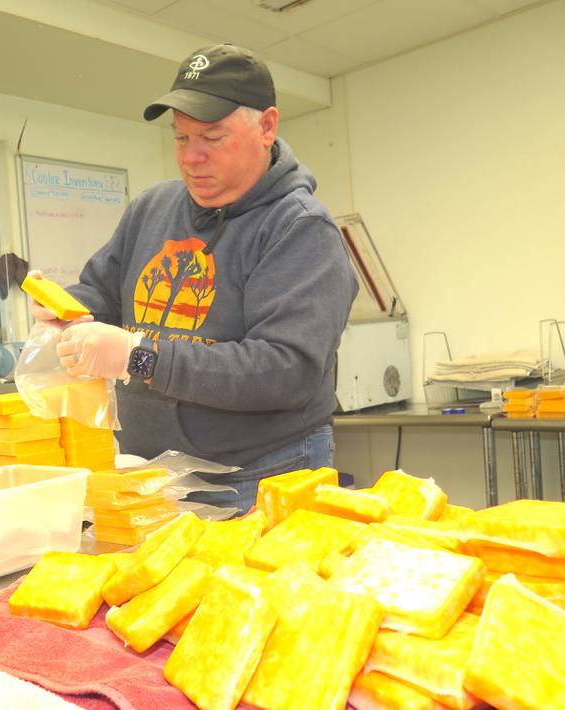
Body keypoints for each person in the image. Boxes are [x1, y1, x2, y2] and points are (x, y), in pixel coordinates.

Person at [31, 43, 358, 512]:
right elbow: (100, 292)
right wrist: (67, 310)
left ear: (267, 127)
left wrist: (139, 356)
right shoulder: (151, 208)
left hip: (260, 473)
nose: (192, 158)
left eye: (213, 137)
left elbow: (284, 371)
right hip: (152, 471)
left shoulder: (299, 228)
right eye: (182, 138)